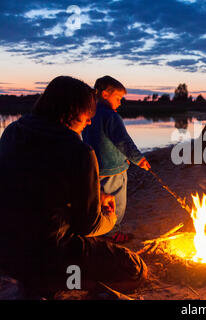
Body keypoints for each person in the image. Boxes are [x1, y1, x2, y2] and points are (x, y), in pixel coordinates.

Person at [0, 76, 147, 294]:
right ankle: (62, 283)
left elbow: (39, 189)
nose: (89, 121)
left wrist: (96, 195)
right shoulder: (79, 151)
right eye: (88, 114)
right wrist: (110, 218)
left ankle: (43, 279)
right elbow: (88, 226)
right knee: (135, 268)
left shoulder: (12, 131)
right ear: (70, 111)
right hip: (49, 252)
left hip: (7, 251)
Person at [82, 76, 151, 243]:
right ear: (105, 94)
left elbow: (103, 142)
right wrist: (138, 159)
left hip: (96, 168)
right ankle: (112, 233)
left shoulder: (89, 115)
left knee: (100, 201)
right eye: (118, 98)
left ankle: (99, 230)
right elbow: (122, 141)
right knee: (116, 204)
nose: (120, 103)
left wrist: (123, 158)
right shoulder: (111, 116)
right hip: (113, 170)